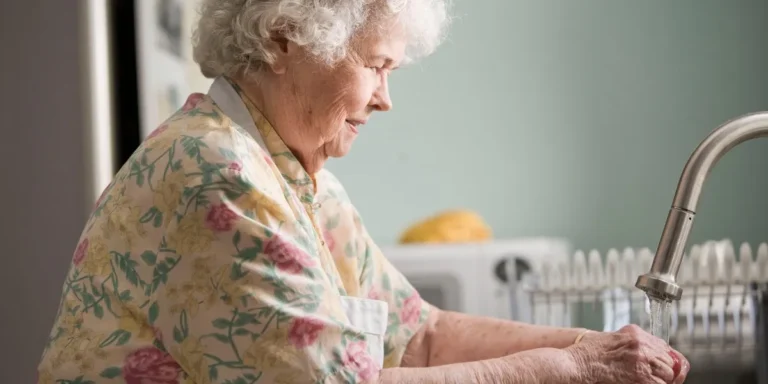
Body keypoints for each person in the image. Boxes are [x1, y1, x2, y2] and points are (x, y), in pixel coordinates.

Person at [37, 0, 690, 383]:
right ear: (283, 39)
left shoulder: (292, 174)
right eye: (376, 66)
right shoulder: (218, 174)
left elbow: (421, 336)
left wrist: (595, 350)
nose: (385, 99)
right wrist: (569, 370)